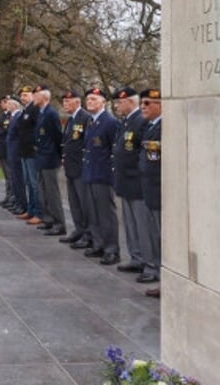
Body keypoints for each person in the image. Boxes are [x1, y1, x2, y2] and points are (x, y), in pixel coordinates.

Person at [111, 86, 159, 278]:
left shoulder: (140, 121)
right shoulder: (126, 122)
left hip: (137, 183)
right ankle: (136, 257)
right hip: (126, 181)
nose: (116, 106)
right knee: (131, 224)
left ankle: (149, 263)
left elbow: (142, 153)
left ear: (130, 102)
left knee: (143, 227)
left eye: (119, 102)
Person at [80, 87, 121, 265]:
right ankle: (99, 244)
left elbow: (114, 149)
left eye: (94, 99)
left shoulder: (110, 122)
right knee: (93, 212)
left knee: (106, 214)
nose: (90, 102)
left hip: (103, 175)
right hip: (90, 173)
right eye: (88, 99)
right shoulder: (91, 121)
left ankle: (112, 249)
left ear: (103, 102)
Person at [60, 90, 95, 249]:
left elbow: (86, 143)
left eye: (68, 101)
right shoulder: (71, 120)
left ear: (77, 102)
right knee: (74, 203)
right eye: (64, 102)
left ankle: (88, 234)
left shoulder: (85, 118)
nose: (65, 104)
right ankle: (79, 230)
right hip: (70, 167)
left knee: (84, 204)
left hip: (80, 167)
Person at [138, 88, 163, 298]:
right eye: (142, 103)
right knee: (154, 235)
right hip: (149, 189)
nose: (143, 107)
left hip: (160, 190)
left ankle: (165, 281)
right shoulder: (149, 127)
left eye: (147, 103)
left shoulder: (164, 126)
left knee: (162, 237)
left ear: (160, 105)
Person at [32, 87, 65, 236]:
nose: (34, 97)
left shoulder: (51, 114)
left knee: (52, 193)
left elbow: (57, 136)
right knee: (43, 191)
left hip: (50, 158)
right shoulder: (41, 113)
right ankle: (48, 219)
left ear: (45, 97)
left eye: (36, 95)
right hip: (41, 157)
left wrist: (59, 156)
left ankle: (59, 223)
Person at [17, 85, 43, 225]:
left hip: (32, 152)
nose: (23, 97)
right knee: (28, 182)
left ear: (32, 96)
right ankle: (31, 209)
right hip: (24, 151)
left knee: (34, 184)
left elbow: (37, 129)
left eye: (26, 95)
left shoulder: (34, 110)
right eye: (22, 95)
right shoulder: (25, 110)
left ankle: (38, 212)